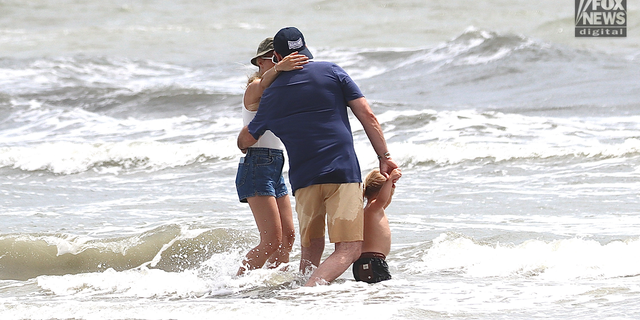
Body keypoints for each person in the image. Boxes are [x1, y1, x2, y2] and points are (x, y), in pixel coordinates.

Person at [237, 27, 398, 286]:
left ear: (277, 56)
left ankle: (302, 295)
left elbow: (244, 141)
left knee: (310, 250)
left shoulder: (273, 93)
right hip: (341, 173)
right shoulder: (332, 72)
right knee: (348, 249)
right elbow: (367, 115)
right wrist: (384, 156)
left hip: (302, 179)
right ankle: (308, 295)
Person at [235, 37, 309, 276]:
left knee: (287, 237)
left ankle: (273, 289)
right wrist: (280, 68)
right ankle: (233, 286)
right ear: (260, 62)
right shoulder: (256, 86)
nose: (281, 62)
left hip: (275, 165)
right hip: (257, 164)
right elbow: (264, 83)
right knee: (271, 241)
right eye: (275, 59)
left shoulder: (277, 90)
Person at [353, 168, 402, 283]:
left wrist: (389, 186)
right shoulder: (374, 207)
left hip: (364, 263)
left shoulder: (370, 211)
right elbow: (383, 199)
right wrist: (389, 181)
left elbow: (385, 201)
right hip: (373, 262)